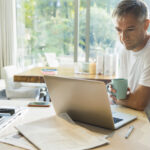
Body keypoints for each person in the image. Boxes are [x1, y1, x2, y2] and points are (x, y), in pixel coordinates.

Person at [109, 0, 150, 110]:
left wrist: (116, 98)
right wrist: (114, 94)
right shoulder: (124, 50)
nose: (123, 37)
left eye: (130, 29)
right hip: (130, 115)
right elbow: (123, 94)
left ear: (146, 25)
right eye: (118, 30)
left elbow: (139, 103)